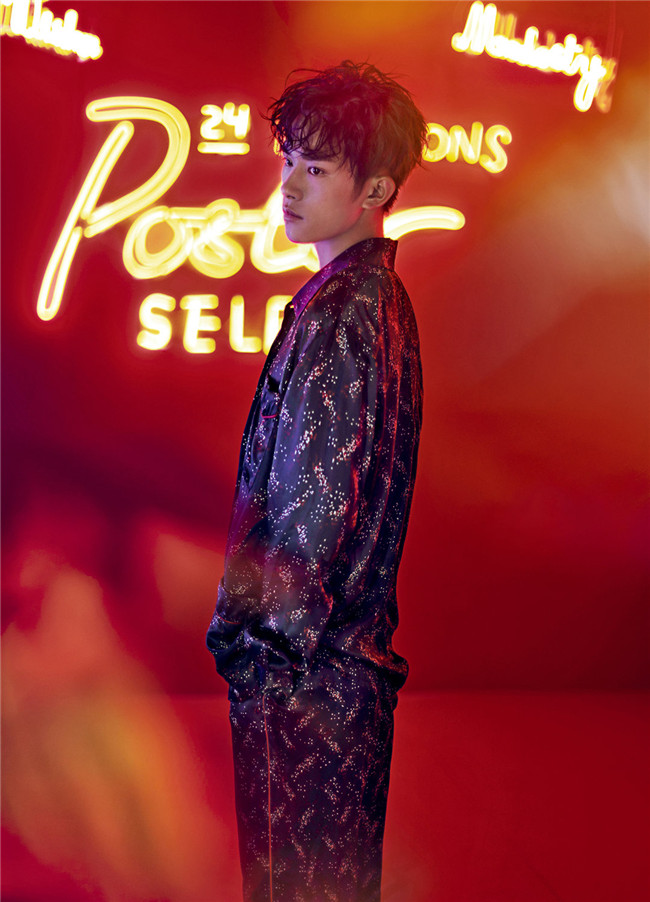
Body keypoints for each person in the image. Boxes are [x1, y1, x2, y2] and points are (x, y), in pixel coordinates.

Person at [206, 60, 426, 902]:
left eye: (318, 167)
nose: (290, 187)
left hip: (305, 690)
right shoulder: (379, 299)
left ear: (376, 189)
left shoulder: (342, 313)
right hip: (340, 683)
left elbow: (313, 516)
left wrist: (256, 656)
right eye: (289, 161)